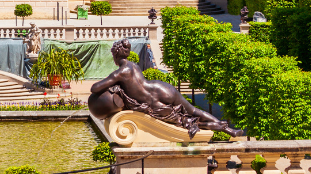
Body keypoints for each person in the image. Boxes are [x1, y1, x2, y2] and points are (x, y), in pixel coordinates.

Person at [89, 39, 244, 138]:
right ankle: (229, 130)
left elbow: (95, 88)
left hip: (153, 101)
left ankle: (222, 128)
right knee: (193, 110)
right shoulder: (133, 65)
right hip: (161, 87)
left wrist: (113, 84)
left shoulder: (120, 72)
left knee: (184, 121)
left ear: (115, 56)